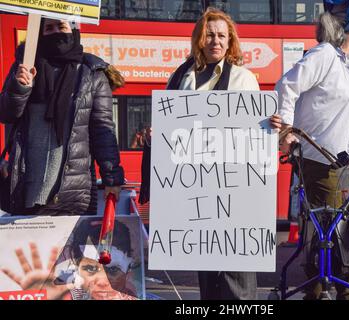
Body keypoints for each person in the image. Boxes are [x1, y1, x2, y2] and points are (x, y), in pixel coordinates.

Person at [271, 0, 349, 300]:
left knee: (331, 231)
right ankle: (339, 293)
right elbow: (287, 86)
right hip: (322, 161)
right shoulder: (323, 56)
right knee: (336, 233)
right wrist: (286, 131)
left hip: (346, 165)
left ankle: (321, 290)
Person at [148, 7, 259, 300]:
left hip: (233, 185)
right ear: (199, 39)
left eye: (222, 35)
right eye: (209, 35)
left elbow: (254, 132)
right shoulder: (181, 77)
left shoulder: (244, 79)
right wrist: (157, 134)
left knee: (237, 271)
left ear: (230, 41)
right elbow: (170, 125)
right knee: (208, 272)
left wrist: (269, 125)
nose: (216, 41)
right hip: (195, 186)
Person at [0, 18, 124, 215]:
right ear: (40, 33)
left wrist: (112, 178)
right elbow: (6, 114)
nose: (56, 32)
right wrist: (21, 87)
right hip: (25, 186)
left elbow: (102, 130)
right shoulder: (23, 67)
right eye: (49, 28)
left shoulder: (92, 74)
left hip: (72, 192)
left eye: (62, 26)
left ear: (73, 29)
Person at [1, 218, 140, 300]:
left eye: (113, 269)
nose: (102, 281)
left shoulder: (134, 294)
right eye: (90, 268)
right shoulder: (69, 293)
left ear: (128, 270)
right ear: (76, 266)